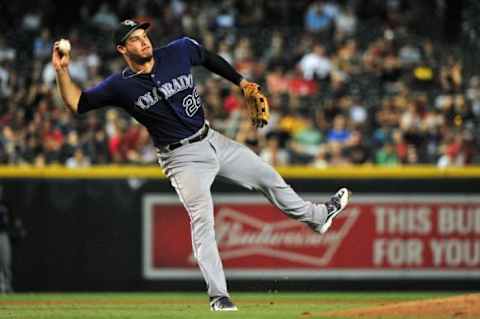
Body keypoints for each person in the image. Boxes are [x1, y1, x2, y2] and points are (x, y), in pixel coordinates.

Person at [52, 19, 351, 311]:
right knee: (203, 220)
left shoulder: (178, 50)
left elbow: (208, 58)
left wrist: (242, 82)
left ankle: (318, 216)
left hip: (213, 139)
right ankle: (219, 296)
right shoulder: (119, 85)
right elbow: (77, 103)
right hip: (181, 159)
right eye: (134, 39)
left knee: (267, 176)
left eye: (144, 34)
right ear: (122, 49)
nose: (143, 41)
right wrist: (62, 71)